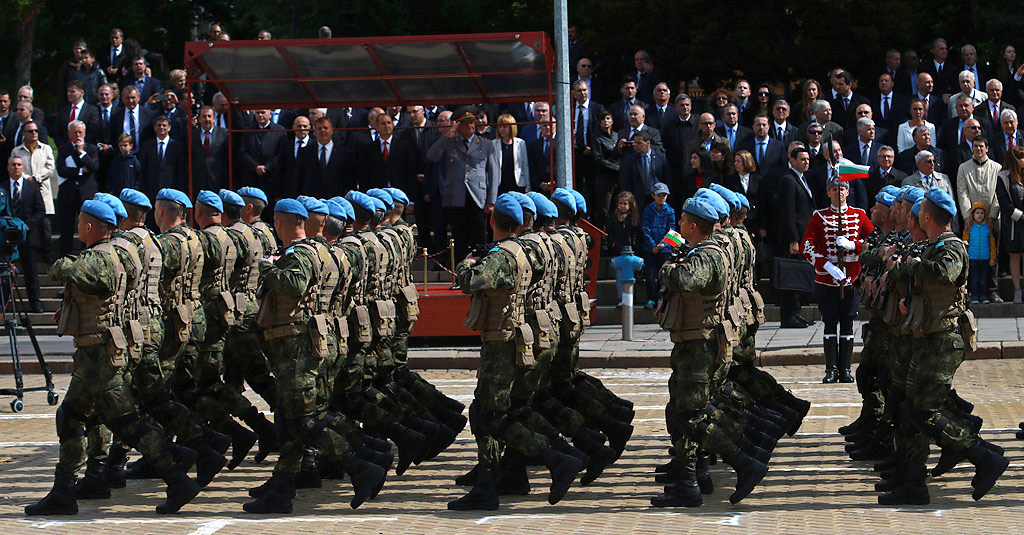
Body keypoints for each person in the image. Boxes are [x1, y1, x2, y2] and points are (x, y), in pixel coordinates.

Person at [25, 199, 202, 516]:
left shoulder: (101, 257)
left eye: (80, 222)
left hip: (100, 355)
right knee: (71, 417)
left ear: (89, 226)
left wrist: (62, 262)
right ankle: (64, 491)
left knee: (127, 425)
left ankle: (177, 477)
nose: (77, 227)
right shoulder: (121, 252)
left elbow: (68, 270)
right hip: (98, 352)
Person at [450, 192, 582, 510]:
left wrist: (464, 265)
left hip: (501, 340)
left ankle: (553, 458)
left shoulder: (503, 256)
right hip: (515, 335)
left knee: (489, 414)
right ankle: (496, 477)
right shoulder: (520, 252)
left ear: (493, 222)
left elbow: (471, 282)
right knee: (496, 411)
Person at [801, 175, 873, 382]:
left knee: (848, 322)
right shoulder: (819, 216)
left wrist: (855, 246)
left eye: (842, 188)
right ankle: (831, 368)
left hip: (851, 278)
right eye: (834, 189)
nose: (838, 192)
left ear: (848, 192)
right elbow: (807, 245)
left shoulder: (859, 215)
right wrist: (826, 265)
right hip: (827, 279)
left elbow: (873, 238)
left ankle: (846, 369)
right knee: (830, 322)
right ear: (828, 192)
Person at [426, 106, 499, 261]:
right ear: (458, 125)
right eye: (465, 123)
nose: (470, 126)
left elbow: (494, 173)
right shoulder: (450, 143)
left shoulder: (486, 144)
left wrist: (491, 200)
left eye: (472, 122)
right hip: (456, 197)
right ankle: (460, 276)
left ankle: (480, 276)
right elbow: (432, 156)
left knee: (479, 239)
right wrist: (446, 136)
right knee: (459, 239)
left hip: (478, 198)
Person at [776, 147, 816, 328]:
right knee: (791, 275)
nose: (806, 162)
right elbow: (787, 212)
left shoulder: (801, 178)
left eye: (807, 159)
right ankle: (788, 315)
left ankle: (796, 312)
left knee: (798, 275)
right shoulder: (788, 180)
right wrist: (793, 239)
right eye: (802, 159)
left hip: (804, 235)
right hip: (794, 237)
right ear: (792, 160)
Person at [55, 120, 100, 260]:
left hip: (86, 194)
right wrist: (80, 171)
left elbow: (93, 167)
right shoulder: (64, 149)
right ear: (69, 134)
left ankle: (85, 258)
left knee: (87, 228)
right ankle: (65, 258)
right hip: (68, 194)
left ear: (85, 133)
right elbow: (62, 170)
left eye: (80, 132)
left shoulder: (91, 149)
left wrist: (81, 153)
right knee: (66, 228)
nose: (78, 135)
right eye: (75, 132)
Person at [5, 156, 44, 312]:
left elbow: (40, 210)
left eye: (19, 165)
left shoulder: (32, 187)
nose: (16, 167)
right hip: (7, 237)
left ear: (23, 168)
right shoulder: (2, 188)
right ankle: (4, 303)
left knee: (31, 272)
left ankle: (35, 301)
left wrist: (26, 226)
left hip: (27, 235)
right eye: (13, 165)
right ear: (8, 167)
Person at [995, 146, 1024, 303]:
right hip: (1014, 223)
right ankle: (1017, 290)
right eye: (1021, 158)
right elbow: (1004, 202)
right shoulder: (1003, 177)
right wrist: (1020, 215)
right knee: (1015, 255)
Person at [640, 182, 675, 309]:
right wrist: (652, 245)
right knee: (649, 274)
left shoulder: (670, 210)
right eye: (659, 195)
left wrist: (663, 243)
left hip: (665, 249)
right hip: (650, 248)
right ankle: (651, 299)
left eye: (664, 195)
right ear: (653, 195)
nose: (662, 198)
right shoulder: (648, 209)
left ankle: (662, 298)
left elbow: (672, 230)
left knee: (663, 274)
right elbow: (645, 228)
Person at [964, 202, 997, 303]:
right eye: (977, 213)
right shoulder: (969, 228)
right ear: (972, 214)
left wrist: (992, 258)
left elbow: (992, 245)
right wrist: (965, 257)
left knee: (983, 279)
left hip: (985, 258)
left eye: (982, 213)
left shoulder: (987, 228)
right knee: (973, 279)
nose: (979, 215)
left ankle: (983, 296)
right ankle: (974, 296)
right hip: (972, 258)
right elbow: (964, 242)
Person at [492, 113, 530, 194]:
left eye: (505, 127)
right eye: (500, 127)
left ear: (511, 128)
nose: (502, 129)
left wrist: (528, 187)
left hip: (517, 184)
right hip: (500, 185)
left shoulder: (520, 143)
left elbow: (525, 166)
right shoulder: (493, 144)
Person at [604, 190, 641, 256]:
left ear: (630, 205)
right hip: (617, 250)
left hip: (632, 250)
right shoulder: (614, 216)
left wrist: (635, 245)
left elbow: (637, 234)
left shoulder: (634, 217)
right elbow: (609, 231)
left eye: (625, 204)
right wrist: (613, 244)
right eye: (620, 203)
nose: (622, 206)